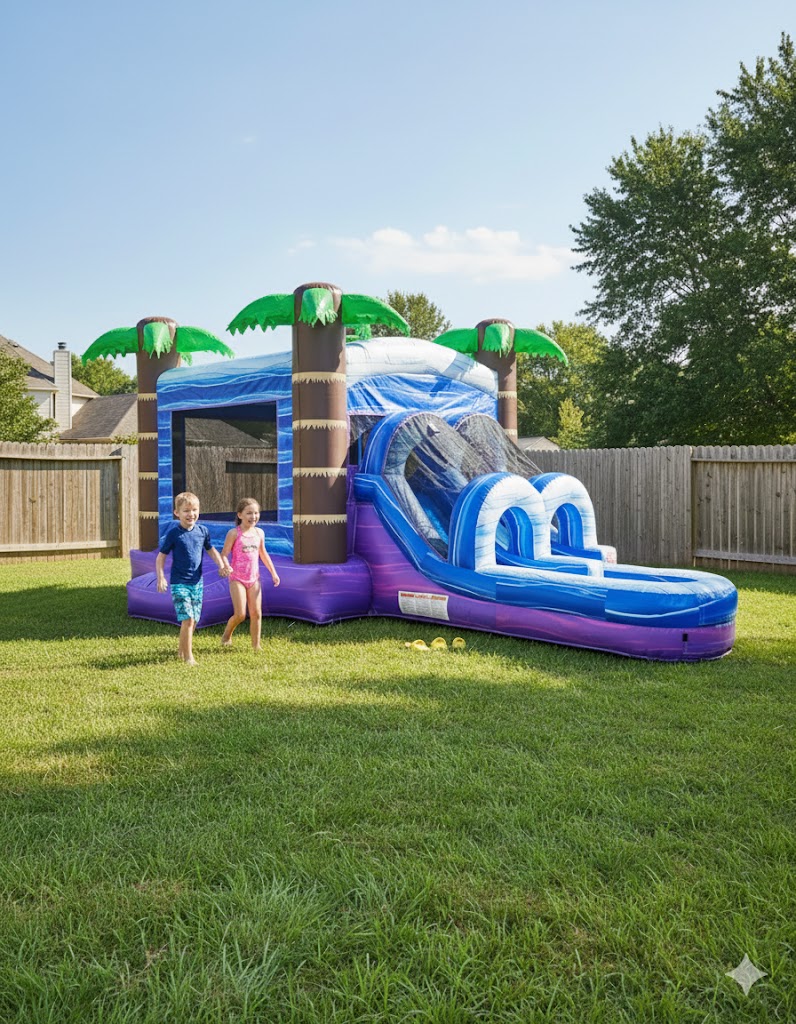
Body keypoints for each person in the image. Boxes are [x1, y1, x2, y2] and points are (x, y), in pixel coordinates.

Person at [156, 491, 229, 666]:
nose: (191, 514)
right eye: (186, 511)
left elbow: (211, 550)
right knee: (187, 619)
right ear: (177, 513)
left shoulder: (202, 531)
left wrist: (221, 565)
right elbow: (161, 557)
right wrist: (161, 578)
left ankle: (181, 652)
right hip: (179, 582)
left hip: (197, 582)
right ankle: (189, 657)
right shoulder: (174, 534)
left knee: (194, 620)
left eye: (194, 510)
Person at [220, 497, 280, 651]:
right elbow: (224, 554)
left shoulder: (259, 533)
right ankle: (227, 635)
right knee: (240, 614)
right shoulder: (234, 533)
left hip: (254, 578)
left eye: (256, 513)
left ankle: (256, 645)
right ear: (240, 515)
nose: (253, 517)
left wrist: (273, 572)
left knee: (256, 613)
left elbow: (263, 554)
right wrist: (226, 565)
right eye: (249, 513)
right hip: (237, 578)